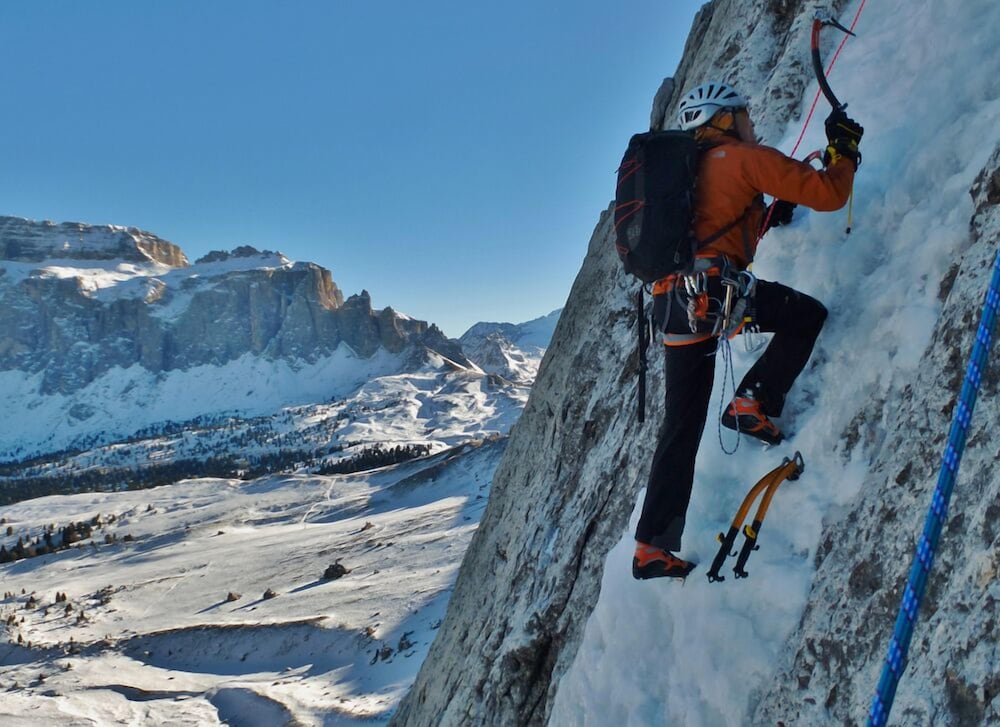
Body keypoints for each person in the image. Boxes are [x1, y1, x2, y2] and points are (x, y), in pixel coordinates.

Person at [632, 81, 864, 579]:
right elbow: (828, 193)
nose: (751, 122)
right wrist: (843, 151)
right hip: (717, 297)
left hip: (674, 308)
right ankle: (751, 401)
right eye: (743, 113)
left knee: (681, 425)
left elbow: (718, 220)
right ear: (724, 119)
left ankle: (650, 548)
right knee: (806, 316)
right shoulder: (742, 156)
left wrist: (768, 210)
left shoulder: (688, 174)